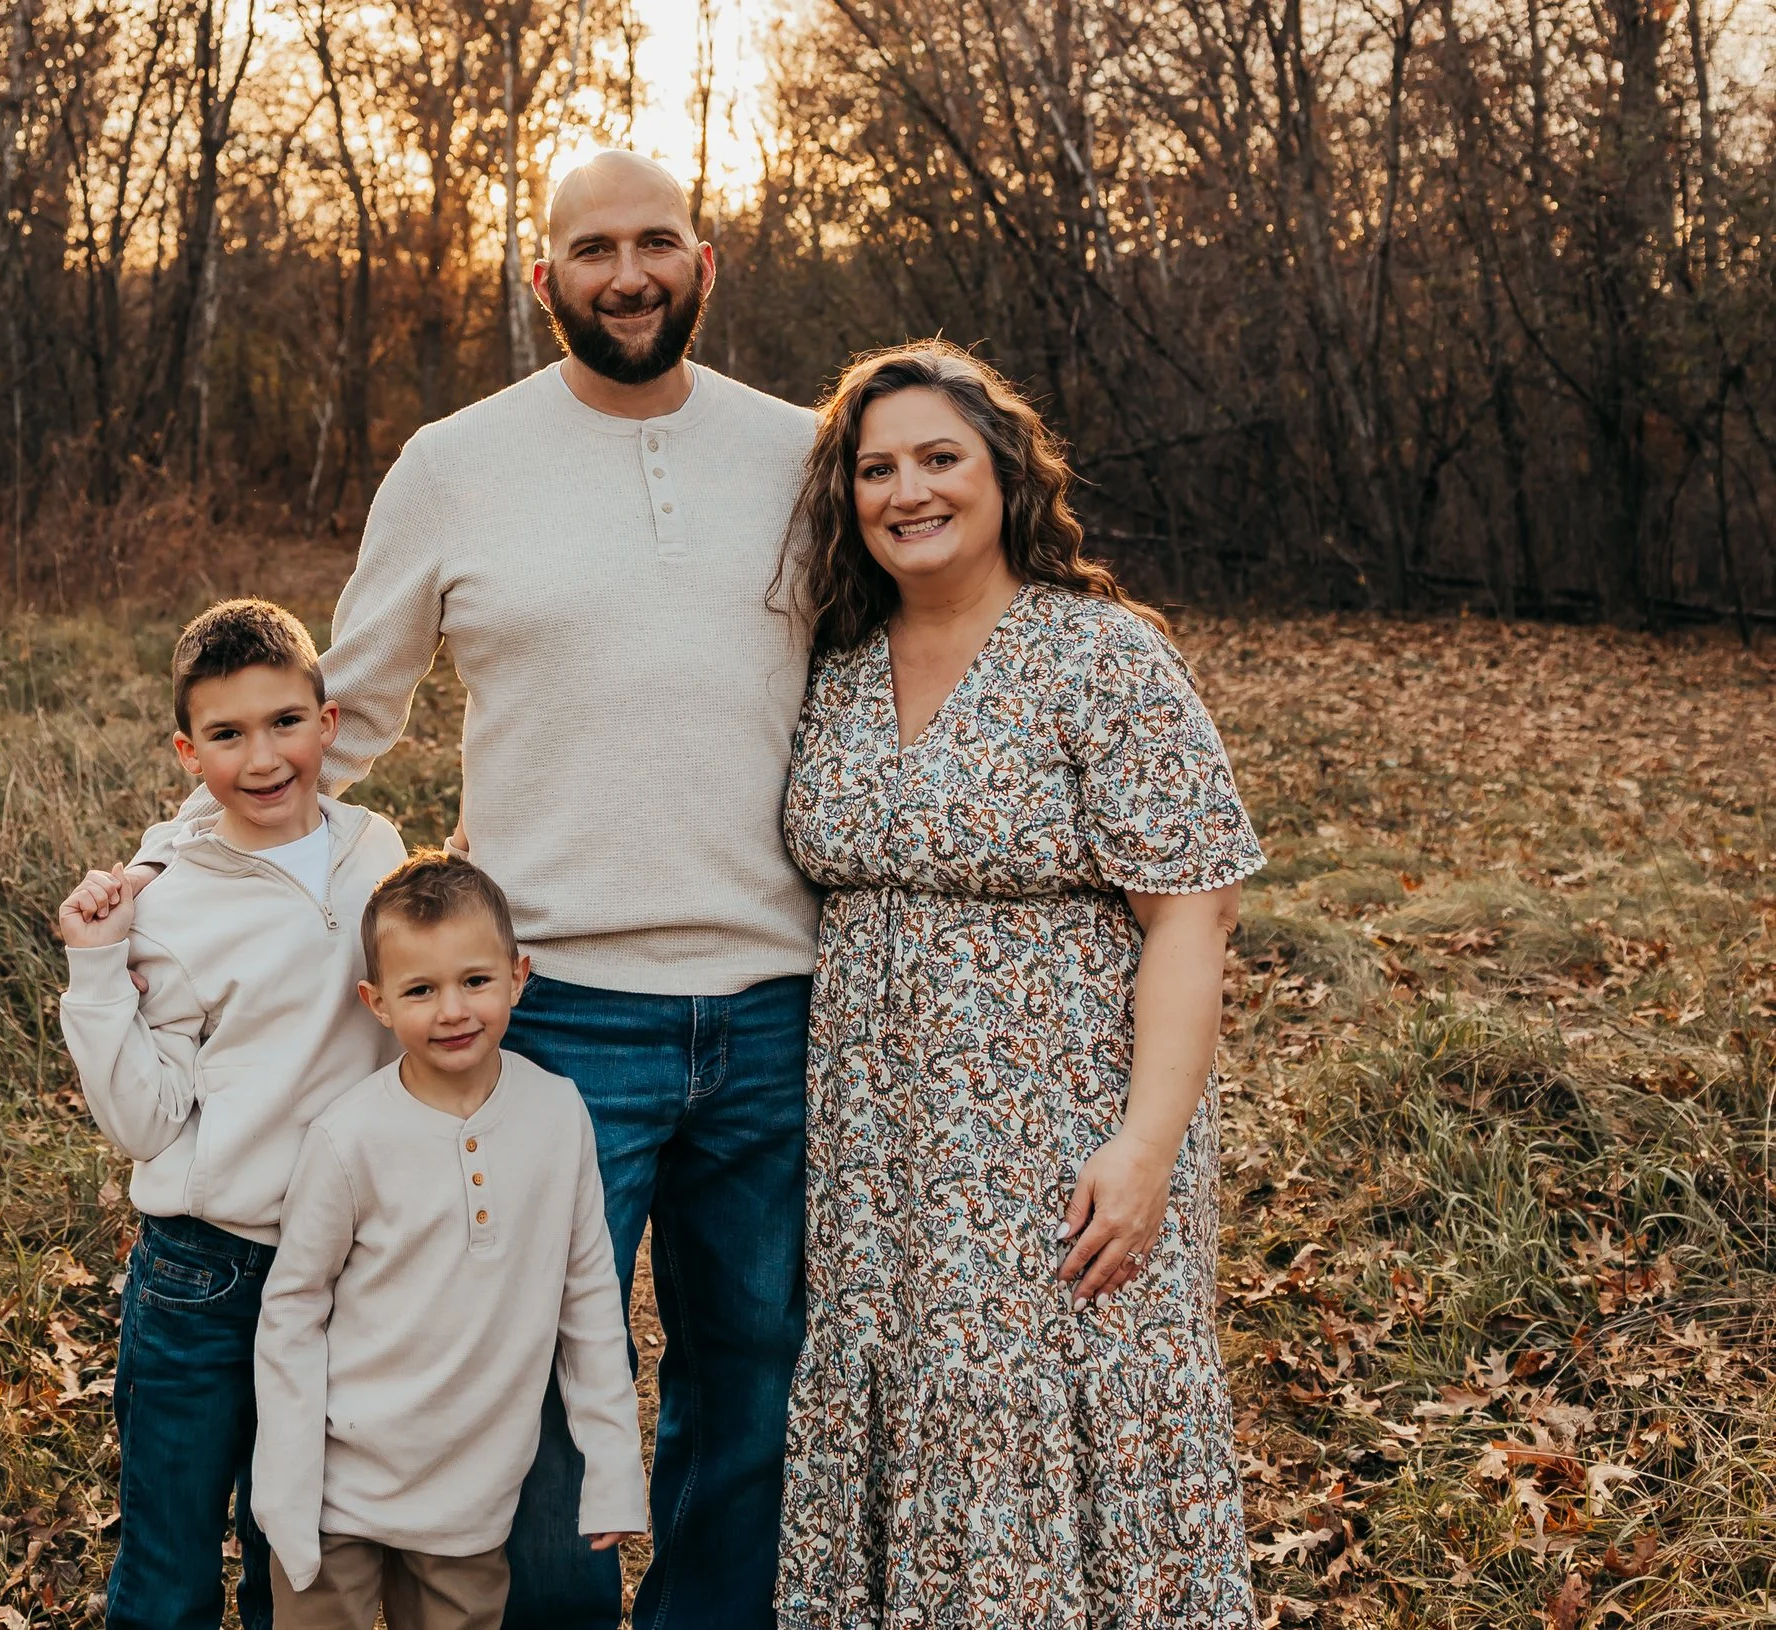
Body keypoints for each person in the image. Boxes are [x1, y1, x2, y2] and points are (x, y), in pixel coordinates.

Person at [132, 149, 819, 1629]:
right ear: (542, 279)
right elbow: (342, 712)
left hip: (782, 998)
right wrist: (165, 867)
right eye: (592, 249)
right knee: (530, 1394)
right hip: (552, 1004)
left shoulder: (805, 451)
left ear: (704, 262)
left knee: (754, 1375)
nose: (626, 272)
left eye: (655, 242)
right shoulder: (454, 463)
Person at [772, 340, 1263, 1626]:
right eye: (875, 468)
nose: (907, 491)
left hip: (1059, 1139)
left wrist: (1146, 1144)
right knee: (907, 1412)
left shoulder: (1100, 656)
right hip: (879, 1160)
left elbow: (1189, 917)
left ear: (1003, 471)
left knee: (1048, 1415)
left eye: (939, 457)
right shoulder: (833, 666)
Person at [55, 598, 408, 1630]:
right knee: (167, 1567)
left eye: (284, 722)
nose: (262, 757)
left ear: (327, 722)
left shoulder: (376, 848)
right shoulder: (165, 901)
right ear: (188, 750)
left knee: (295, 1560)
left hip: (341, 1272)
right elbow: (147, 1120)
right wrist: (95, 968)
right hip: (206, 1273)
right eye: (227, 734)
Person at [253, 852, 646, 1629]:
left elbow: (590, 1298)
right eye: (421, 990)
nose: (454, 1010)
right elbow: (292, 1310)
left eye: (475, 980)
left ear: (518, 976)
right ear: (377, 1002)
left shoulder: (559, 1113)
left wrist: (612, 1468)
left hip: (472, 1501)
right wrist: (288, 1487)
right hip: (338, 1492)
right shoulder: (349, 1137)